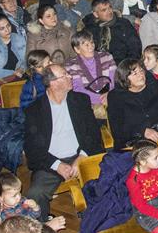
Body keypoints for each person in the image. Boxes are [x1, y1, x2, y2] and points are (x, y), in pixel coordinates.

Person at [23, 64, 104, 220]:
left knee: (108, 178)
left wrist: (81, 157)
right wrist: (57, 165)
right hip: (51, 162)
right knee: (35, 194)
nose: (70, 77)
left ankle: (102, 218)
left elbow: (93, 134)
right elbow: (32, 148)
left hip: (81, 156)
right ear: (53, 83)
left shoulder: (80, 100)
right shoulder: (34, 110)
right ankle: (43, 230)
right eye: (65, 75)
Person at [107, 59, 158, 150]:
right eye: (135, 73)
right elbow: (117, 131)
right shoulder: (115, 97)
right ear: (124, 78)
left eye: (141, 71)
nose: (140, 75)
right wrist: (142, 131)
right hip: (133, 145)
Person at [64, 30, 117, 118]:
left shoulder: (107, 56)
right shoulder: (71, 65)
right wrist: (100, 99)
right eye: (86, 45)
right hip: (88, 103)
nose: (91, 47)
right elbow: (78, 88)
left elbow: (114, 80)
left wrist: (109, 95)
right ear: (77, 49)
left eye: (92, 42)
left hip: (111, 97)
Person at [82, 0, 142, 64]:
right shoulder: (90, 29)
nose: (109, 11)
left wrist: (129, 64)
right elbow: (85, 52)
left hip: (123, 64)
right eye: (104, 10)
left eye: (110, 7)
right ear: (96, 14)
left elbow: (135, 47)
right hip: (99, 64)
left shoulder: (123, 24)